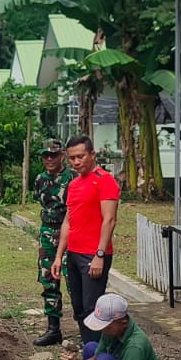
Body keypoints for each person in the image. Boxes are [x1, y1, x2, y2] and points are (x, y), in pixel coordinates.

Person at [51, 135, 120, 346]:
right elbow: (67, 222)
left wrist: (99, 255)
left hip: (93, 254)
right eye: (72, 158)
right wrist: (59, 256)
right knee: (79, 307)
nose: (76, 162)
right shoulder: (74, 184)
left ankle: (98, 356)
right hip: (73, 254)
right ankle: (89, 349)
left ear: (92, 154)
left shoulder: (105, 180)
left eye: (80, 156)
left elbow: (109, 220)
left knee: (93, 309)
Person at [31, 138, 74, 347]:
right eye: (45, 155)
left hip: (70, 232)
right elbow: (40, 201)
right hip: (47, 232)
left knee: (74, 282)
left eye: (53, 155)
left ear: (62, 156)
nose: (49, 159)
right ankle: (53, 329)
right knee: (49, 280)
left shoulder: (71, 178)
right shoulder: (39, 179)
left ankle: (86, 328)